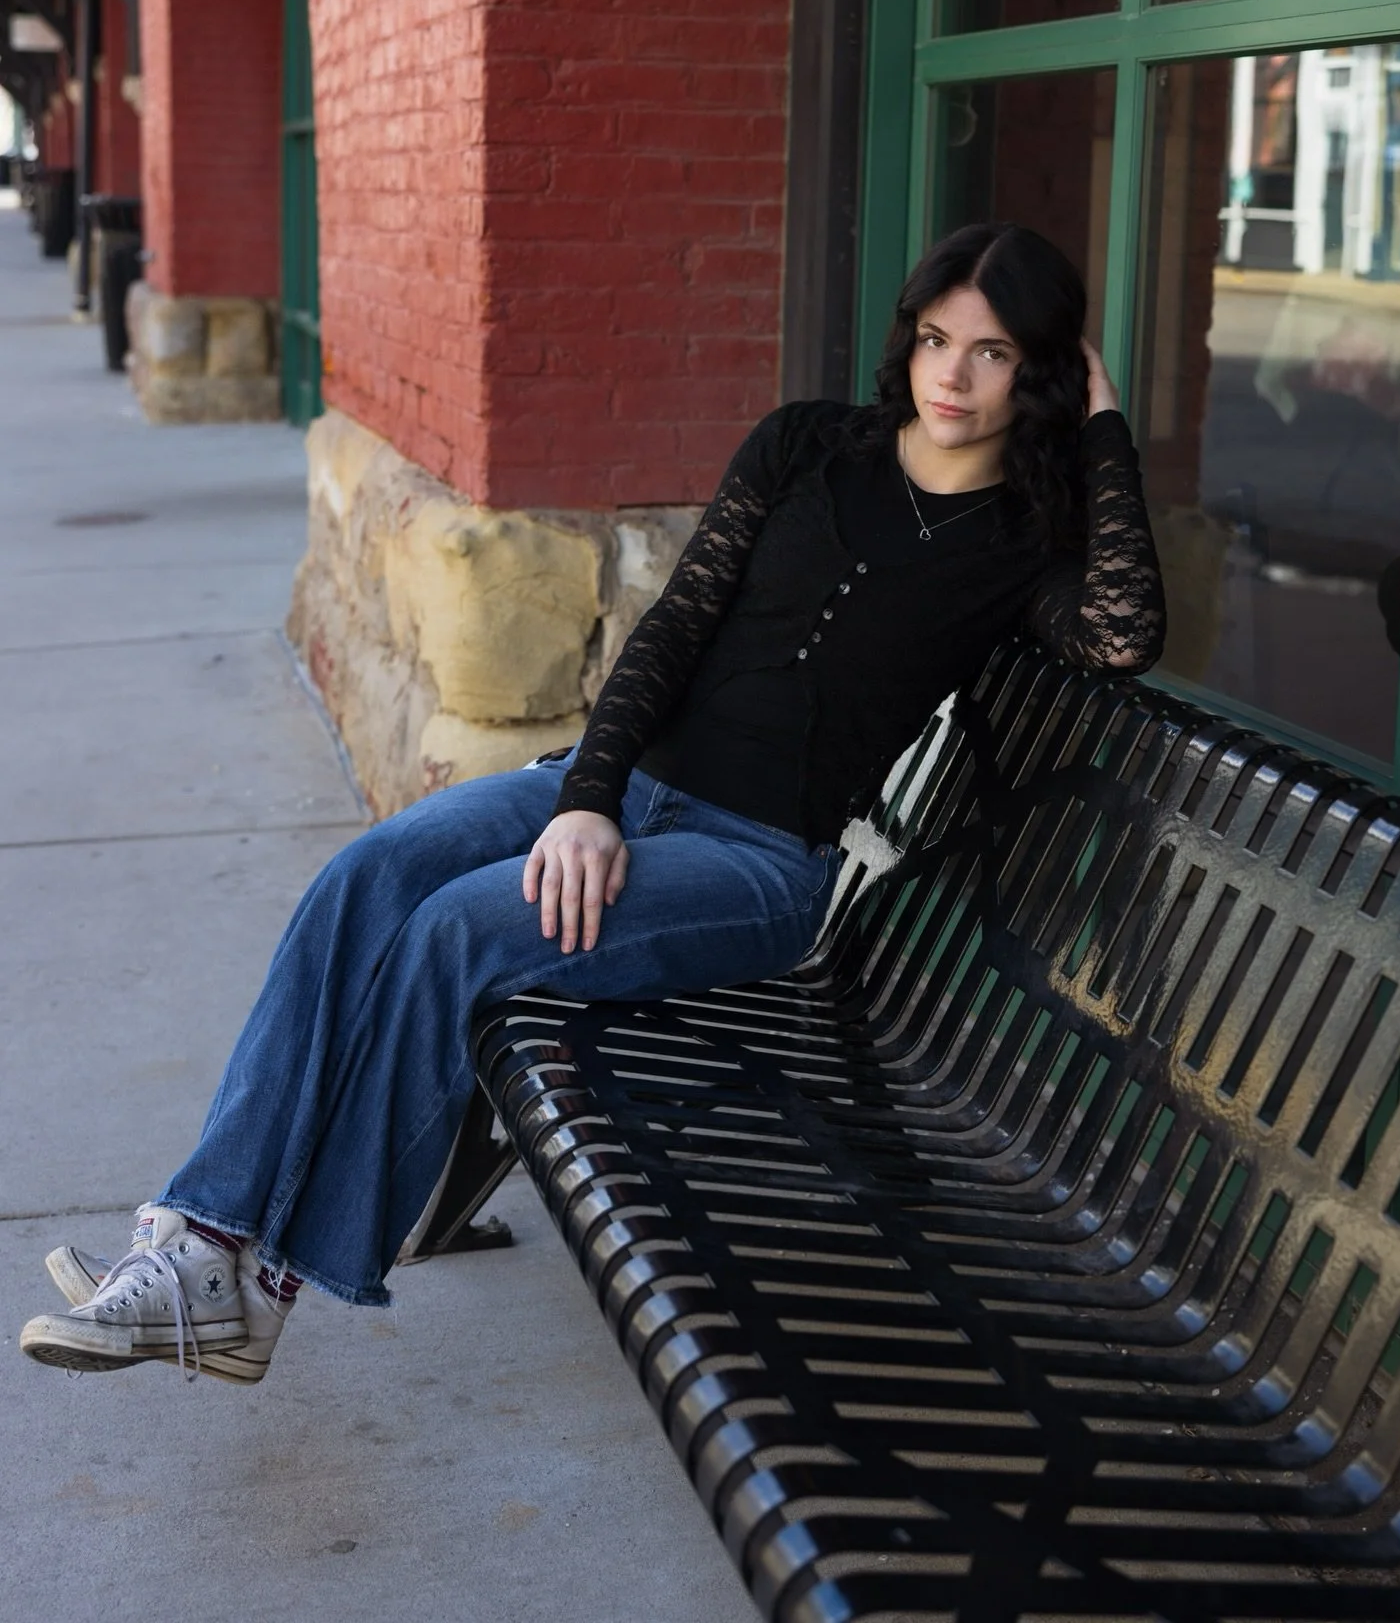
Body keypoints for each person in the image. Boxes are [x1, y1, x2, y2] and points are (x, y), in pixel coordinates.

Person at [20, 220, 1166, 1384]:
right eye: (935, 339)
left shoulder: (1023, 549)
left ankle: (264, 1291)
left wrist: (1104, 426)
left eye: (992, 352)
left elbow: (1123, 633)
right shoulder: (807, 447)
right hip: (620, 786)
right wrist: (588, 798)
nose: (952, 375)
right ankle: (204, 1239)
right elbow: (674, 627)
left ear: (1039, 372)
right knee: (370, 874)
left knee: (456, 932)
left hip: (759, 865)